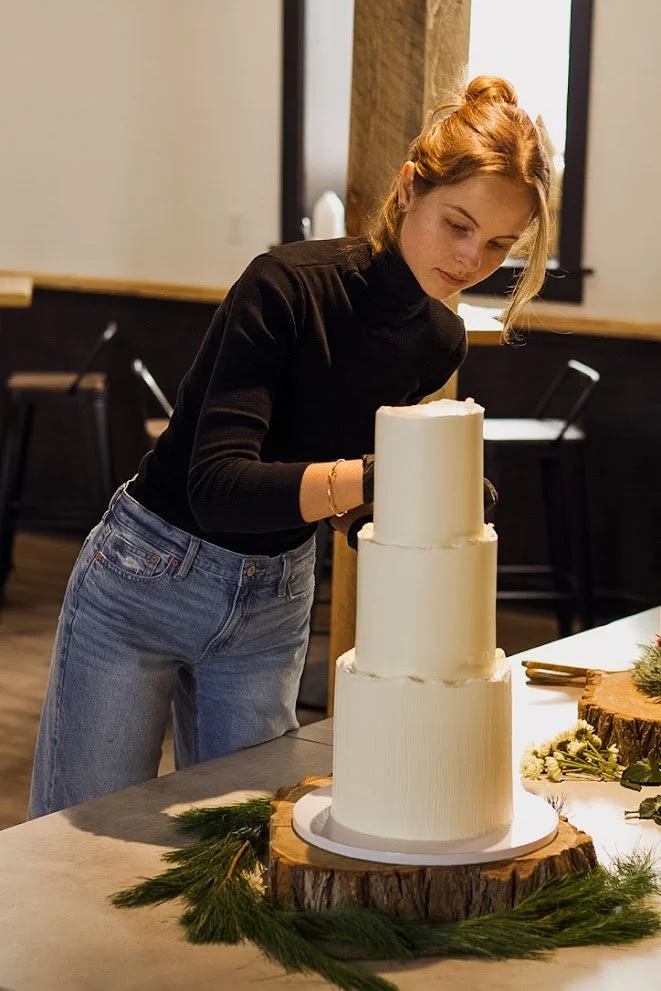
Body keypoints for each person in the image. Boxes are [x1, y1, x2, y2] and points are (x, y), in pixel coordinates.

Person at [28, 75, 551, 818]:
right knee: (77, 838)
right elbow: (219, 486)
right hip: (148, 575)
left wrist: (424, 513)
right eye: (457, 225)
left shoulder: (440, 340)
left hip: (275, 599)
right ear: (409, 188)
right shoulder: (285, 286)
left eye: (499, 245)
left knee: (238, 843)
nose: (471, 260)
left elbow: (337, 501)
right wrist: (387, 475)